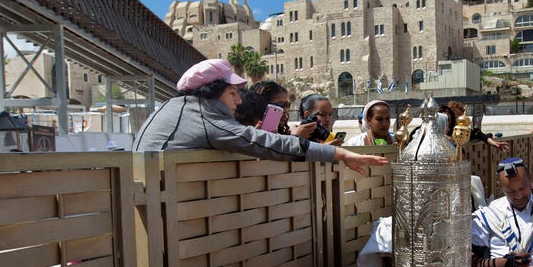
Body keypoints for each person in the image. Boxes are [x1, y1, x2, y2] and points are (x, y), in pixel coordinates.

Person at [132, 59, 386, 174]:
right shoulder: (205, 116)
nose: (239, 100)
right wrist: (340, 154)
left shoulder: (177, 107)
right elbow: (269, 143)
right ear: (212, 92)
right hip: (162, 201)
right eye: (232, 92)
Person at [445, 100, 510, 151]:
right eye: (457, 116)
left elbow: (478, 133)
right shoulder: (444, 125)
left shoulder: (462, 129)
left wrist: (494, 143)